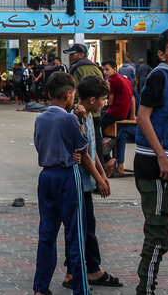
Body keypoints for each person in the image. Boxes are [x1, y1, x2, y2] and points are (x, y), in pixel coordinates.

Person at [32, 72, 105, 295]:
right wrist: (81, 121)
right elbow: (83, 148)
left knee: (47, 234)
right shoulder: (70, 119)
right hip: (66, 176)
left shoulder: (40, 118)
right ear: (68, 95)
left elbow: (39, 145)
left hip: (46, 175)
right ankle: (81, 289)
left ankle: (40, 287)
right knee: (75, 235)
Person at [133, 29, 168, 295]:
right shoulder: (159, 77)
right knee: (157, 235)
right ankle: (145, 289)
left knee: (160, 232)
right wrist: (162, 157)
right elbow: (142, 118)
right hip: (155, 166)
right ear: (161, 54)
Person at [65, 74, 119, 289]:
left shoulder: (87, 116)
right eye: (103, 99)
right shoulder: (77, 117)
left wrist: (102, 173)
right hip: (78, 182)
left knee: (88, 227)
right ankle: (73, 273)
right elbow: (84, 154)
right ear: (92, 99)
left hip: (87, 183)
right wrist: (100, 180)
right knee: (80, 229)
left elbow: (92, 149)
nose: (105, 103)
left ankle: (92, 269)